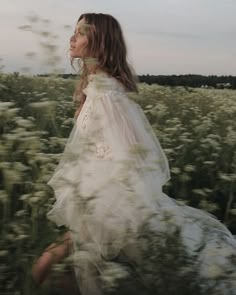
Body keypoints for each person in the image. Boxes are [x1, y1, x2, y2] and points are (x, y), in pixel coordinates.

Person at [32, 13, 236, 295]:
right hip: (95, 206)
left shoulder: (108, 96)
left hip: (107, 210)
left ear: (99, 41)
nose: (72, 38)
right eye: (74, 31)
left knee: (45, 269)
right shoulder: (98, 88)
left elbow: (135, 158)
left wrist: (100, 209)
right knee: (64, 277)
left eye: (80, 32)